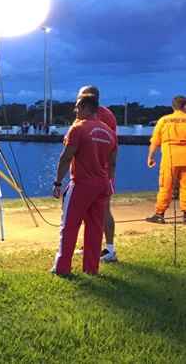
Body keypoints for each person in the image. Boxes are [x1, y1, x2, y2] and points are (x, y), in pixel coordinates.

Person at [51, 94, 117, 276]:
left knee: (70, 226)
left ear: (86, 107)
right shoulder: (110, 132)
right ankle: (91, 268)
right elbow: (112, 164)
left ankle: (62, 267)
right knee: (95, 228)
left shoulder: (78, 128)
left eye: (78, 107)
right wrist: (109, 183)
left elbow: (66, 158)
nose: (75, 111)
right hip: (102, 185)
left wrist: (57, 182)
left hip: (82, 185)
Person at [76, 86, 119, 262]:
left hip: (98, 170)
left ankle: (109, 248)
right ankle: (92, 245)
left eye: (80, 99)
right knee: (90, 211)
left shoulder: (97, 116)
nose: (77, 104)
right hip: (98, 169)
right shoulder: (108, 115)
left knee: (103, 209)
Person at [146, 95, 186, 224]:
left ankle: (160, 214)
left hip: (170, 157)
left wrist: (150, 157)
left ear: (173, 106)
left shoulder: (164, 120)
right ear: (184, 106)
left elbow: (155, 141)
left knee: (166, 186)